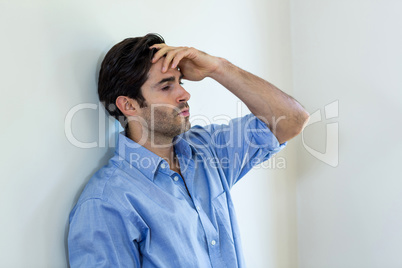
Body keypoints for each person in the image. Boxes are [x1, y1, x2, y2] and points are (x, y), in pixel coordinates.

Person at [68, 33, 309, 267]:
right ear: (129, 105)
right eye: (166, 86)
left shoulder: (208, 149)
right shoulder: (106, 202)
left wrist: (218, 67)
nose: (185, 94)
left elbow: (292, 120)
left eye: (179, 82)